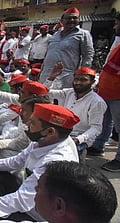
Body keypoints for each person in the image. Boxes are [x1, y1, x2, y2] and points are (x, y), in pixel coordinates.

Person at [0, 103, 79, 223]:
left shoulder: (56, 162)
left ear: (50, 132)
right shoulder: (43, 142)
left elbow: (22, 200)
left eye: (32, 123)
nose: (26, 125)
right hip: (31, 202)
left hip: (42, 220)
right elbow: (16, 161)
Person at [47, 67, 106, 158]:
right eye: (76, 79)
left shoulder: (96, 102)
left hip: (79, 137)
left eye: (83, 80)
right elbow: (45, 93)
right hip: (62, 132)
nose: (78, 83)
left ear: (92, 82)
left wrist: (78, 139)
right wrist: (51, 78)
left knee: (61, 157)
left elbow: (96, 128)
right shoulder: (69, 93)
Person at [89, 13, 120, 171]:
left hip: (118, 93)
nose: (114, 27)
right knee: (105, 120)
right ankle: (99, 145)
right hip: (107, 90)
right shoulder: (118, 41)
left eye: (117, 23)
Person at [39, 7, 94, 89]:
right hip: (46, 74)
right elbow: (48, 53)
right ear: (62, 21)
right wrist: (41, 71)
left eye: (74, 18)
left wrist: (82, 74)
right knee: (42, 97)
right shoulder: (55, 35)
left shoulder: (83, 34)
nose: (71, 20)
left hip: (66, 77)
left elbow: (88, 55)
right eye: (68, 18)